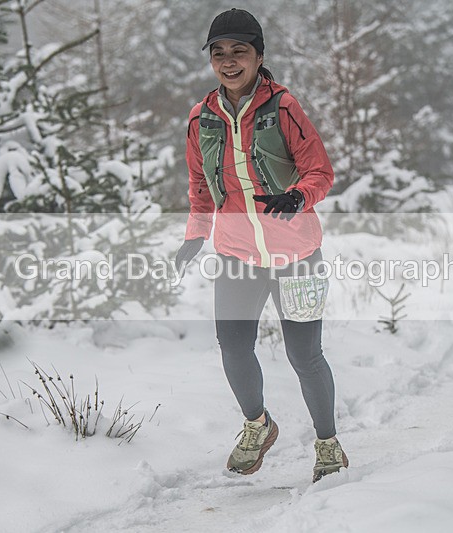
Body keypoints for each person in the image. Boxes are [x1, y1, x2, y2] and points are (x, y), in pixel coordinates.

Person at [174, 8, 347, 483]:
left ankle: (328, 444)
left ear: (259, 56)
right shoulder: (201, 118)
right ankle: (258, 425)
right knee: (233, 348)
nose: (229, 62)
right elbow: (200, 185)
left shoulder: (283, 107)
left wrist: (298, 196)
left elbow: (320, 171)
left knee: (304, 356)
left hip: (298, 255)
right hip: (237, 256)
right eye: (219, 53)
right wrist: (195, 234)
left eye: (239, 51)